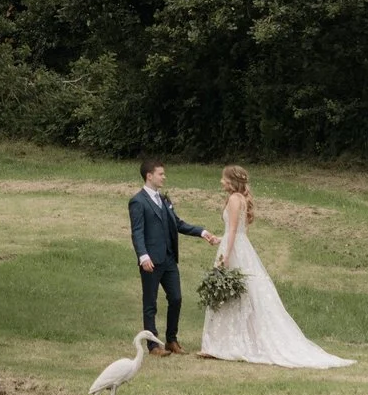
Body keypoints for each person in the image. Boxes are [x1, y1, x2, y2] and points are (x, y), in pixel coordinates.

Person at [197, 165, 353, 368]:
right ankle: (225, 342)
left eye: (223, 178)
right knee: (241, 294)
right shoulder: (241, 199)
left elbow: (234, 230)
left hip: (234, 250)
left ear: (231, 181)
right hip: (239, 247)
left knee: (232, 294)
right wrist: (221, 239)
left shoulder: (235, 199)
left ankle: (223, 344)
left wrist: (226, 256)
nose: (221, 181)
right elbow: (235, 232)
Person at [129, 158, 218, 356]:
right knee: (150, 302)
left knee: (176, 298)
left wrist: (202, 232)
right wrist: (143, 256)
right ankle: (153, 346)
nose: (164, 177)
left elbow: (178, 224)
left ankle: (171, 340)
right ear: (149, 176)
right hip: (151, 260)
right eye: (161, 174)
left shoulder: (164, 200)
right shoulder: (137, 201)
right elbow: (137, 231)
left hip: (169, 259)